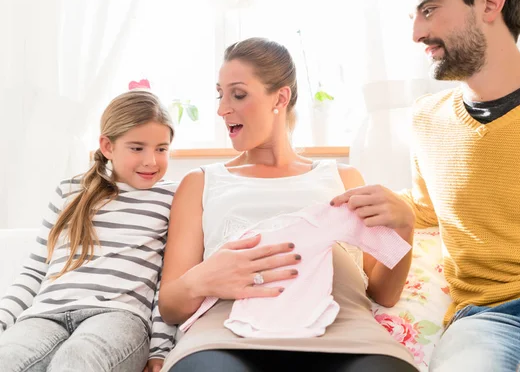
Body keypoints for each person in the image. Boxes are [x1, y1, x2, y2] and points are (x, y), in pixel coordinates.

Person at [331, 0, 520, 371]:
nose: (416, 33)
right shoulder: (427, 120)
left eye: (430, 9)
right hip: (492, 322)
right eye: (413, 16)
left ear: (490, 3)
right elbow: (425, 207)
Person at [158, 37, 417, 372]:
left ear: (280, 97)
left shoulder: (344, 178)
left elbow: (385, 293)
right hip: (227, 336)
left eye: (238, 94)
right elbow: (170, 306)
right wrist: (203, 279)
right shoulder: (201, 182)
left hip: (344, 334)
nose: (222, 108)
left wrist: (406, 227)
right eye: (220, 95)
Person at [0, 90, 178, 372]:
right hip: (46, 314)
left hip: (119, 315)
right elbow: (35, 270)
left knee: (77, 362)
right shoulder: (71, 191)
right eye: (137, 148)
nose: (151, 161)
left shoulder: (172, 198)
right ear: (107, 146)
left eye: (161, 148)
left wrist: (159, 349)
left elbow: (167, 283)